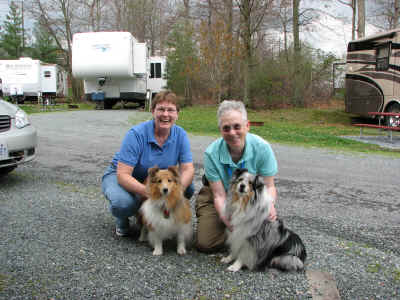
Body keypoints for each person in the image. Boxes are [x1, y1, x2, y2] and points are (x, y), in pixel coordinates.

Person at [102, 90, 195, 236]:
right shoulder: (136, 134)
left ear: (177, 113)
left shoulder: (181, 134)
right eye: (161, 109)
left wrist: (178, 190)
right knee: (123, 204)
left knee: (188, 188)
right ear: (152, 111)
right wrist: (149, 192)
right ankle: (124, 217)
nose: (165, 114)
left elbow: (188, 169)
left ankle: (155, 218)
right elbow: (123, 175)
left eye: (171, 110)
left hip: (154, 179)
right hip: (120, 175)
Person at [195, 100, 278, 252]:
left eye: (237, 126)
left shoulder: (263, 148)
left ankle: (245, 237)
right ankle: (238, 237)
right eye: (226, 128)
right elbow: (219, 195)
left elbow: (270, 186)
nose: (232, 133)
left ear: (247, 126)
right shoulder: (211, 153)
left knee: (266, 236)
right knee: (206, 243)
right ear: (220, 130)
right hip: (219, 195)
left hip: (250, 197)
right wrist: (228, 222)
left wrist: (268, 205)